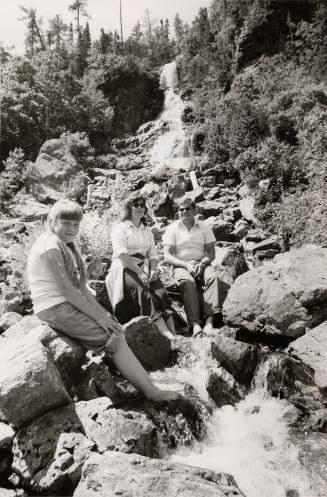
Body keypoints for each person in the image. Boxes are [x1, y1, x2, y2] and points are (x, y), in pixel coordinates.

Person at [27, 199, 180, 402]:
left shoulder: (67, 245)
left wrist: (104, 315)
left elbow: (81, 288)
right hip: (54, 306)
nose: (72, 228)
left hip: (65, 302)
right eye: (66, 223)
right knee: (111, 337)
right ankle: (150, 393)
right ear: (52, 221)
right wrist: (99, 319)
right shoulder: (50, 245)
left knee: (116, 328)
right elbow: (67, 290)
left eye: (76, 224)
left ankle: (150, 384)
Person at [106, 193, 176, 340]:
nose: (139, 207)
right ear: (128, 208)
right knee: (143, 291)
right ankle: (165, 334)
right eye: (135, 205)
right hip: (125, 267)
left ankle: (174, 333)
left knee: (160, 292)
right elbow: (121, 254)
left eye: (142, 205)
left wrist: (153, 270)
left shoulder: (147, 230)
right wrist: (139, 272)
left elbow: (153, 254)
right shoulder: (120, 228)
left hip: (144, 267)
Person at [163, 196, 229, 338]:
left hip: (202, 262)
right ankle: (194, 324)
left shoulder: (204, 227)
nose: (184, 211)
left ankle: (209, 322)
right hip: (181, 265)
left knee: (213, 278)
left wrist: (203, 263)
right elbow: (167, 256)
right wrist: (186, 265)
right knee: (188, 283)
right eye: (181, 209)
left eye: (188, 209)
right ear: (178, 211)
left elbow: (211, 252)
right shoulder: (173, 228)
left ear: (194, 210)